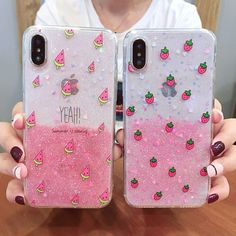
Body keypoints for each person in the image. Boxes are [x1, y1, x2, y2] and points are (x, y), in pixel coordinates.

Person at [0, 0, 235, 205]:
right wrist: (34, 124)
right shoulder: (56, 12)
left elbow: (179, 113)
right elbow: (53, 109)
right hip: (74, 175)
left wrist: (200, 125)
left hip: (159, 179)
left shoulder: (181, 17)